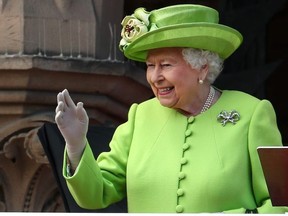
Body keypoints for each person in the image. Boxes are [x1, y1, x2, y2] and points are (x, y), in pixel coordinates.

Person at [55, 4, 288, 213]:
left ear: (202, 68)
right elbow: (96, 194)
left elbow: (279, 205)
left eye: (165, 65)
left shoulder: (252, 113)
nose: (155, 77)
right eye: (149, 66)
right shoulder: (140, 116)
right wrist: (76, 146)